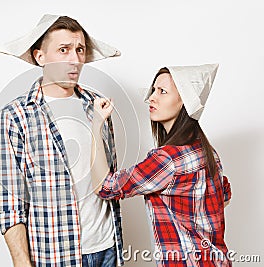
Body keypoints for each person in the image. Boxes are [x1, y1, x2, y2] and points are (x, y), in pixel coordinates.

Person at [0, 14, 124, 266]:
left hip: (109, 247)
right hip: (57, 255)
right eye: (63, 50)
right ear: (39, 56)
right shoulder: (15, 116)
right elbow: (11, 204)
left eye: (79, 50)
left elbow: (108, 179)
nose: (74, 60)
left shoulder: (96, 106)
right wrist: (22, 263)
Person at [91, 64, 232, 266]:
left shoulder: (167, 159)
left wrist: (96, 124)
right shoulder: (208, 152)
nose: (152, 98)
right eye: (154, 90)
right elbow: (224, 196)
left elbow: (105, 187)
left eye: (162, 92)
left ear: (184, 101)